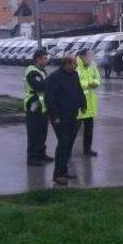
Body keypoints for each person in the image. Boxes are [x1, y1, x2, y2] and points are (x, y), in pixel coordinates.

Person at [45, 56, 87, 185]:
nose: (76, 66)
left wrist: (83, 104)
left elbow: (79, 91)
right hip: (60, 117)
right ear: (67, 64)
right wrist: (54, 115)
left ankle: (64, 170)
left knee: (68, 144)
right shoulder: (55, 77)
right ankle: (57, 174)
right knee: (63, 144)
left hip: (72, 115)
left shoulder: (73, 75)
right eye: (74, 64)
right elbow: (49, 97)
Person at [24, 49, 53, 166]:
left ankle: (41, 153)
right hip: (33, 106)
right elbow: (39, 86)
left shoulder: (41, 70)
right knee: (34, 133)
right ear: (38, 59)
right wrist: (51, 81)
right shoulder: (32, 71)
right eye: (45, 58)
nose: (47, 61)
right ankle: (32, 157)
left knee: (42, 132)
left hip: (42, 107)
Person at [76, 49, 101, 156]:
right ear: (82, 56)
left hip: (90, 103)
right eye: (89, 55)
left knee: (89, 129)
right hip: (78, 103)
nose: (91, 57)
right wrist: (88, 84)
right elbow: (74, 82)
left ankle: (87, 149)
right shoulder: (76, 65)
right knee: (74, 130)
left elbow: (97, 77)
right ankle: (66, 149)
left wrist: (95, 83)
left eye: (91, 55)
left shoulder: (92, 64)